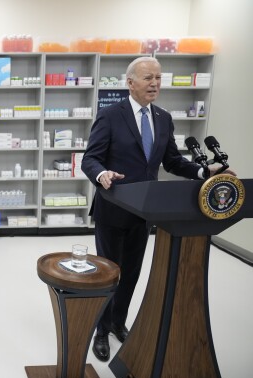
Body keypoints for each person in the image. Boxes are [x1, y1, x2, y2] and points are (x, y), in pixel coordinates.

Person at [81, 56, 235, 361]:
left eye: (159, 78)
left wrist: (206, 173)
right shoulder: (111, 115)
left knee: (132, 273)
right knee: (108, 273)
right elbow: (90, 159)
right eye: (148, 78)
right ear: (130, 83)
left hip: (145, 211)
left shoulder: (163, 118)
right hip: (112, 209)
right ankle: (100, 329)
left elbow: (172, 161)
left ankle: (117, 322)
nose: (155, 84)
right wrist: (103, 174)